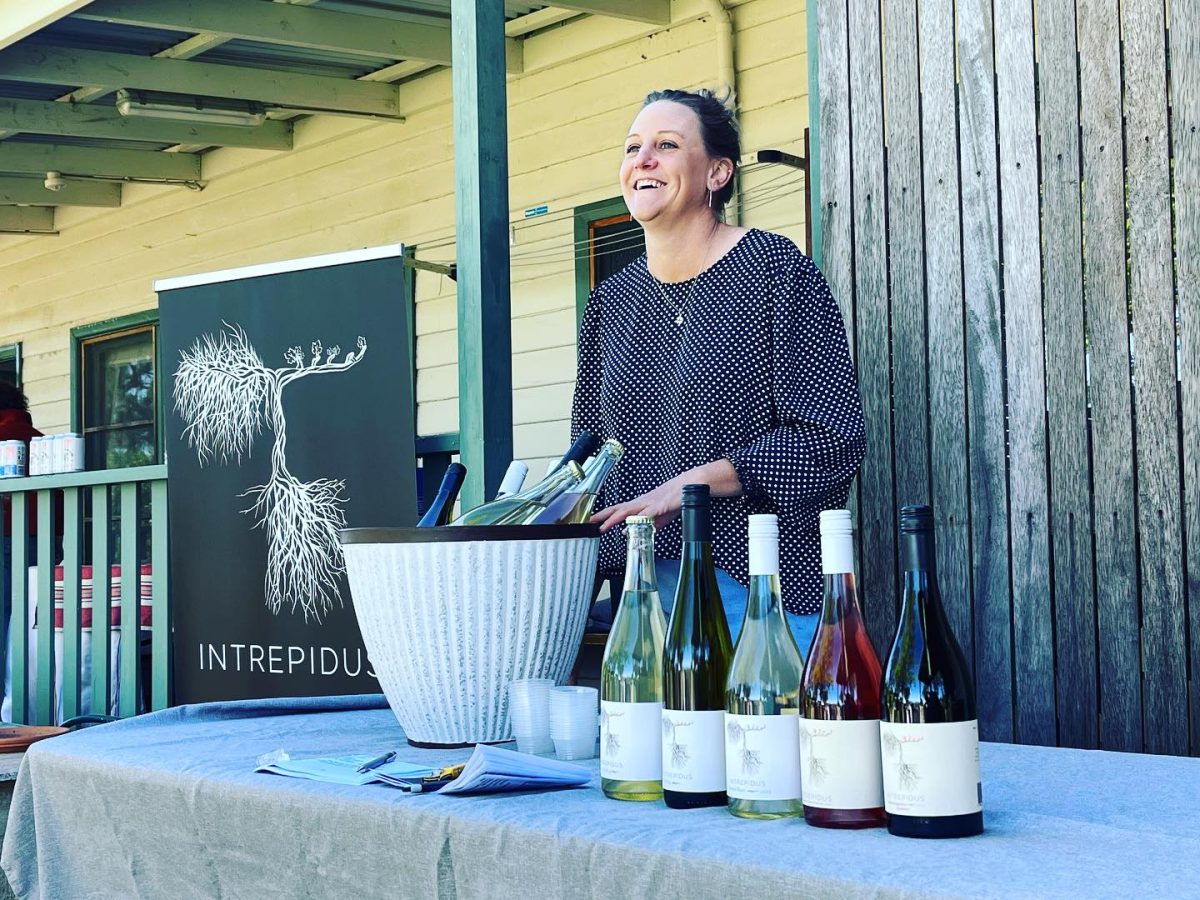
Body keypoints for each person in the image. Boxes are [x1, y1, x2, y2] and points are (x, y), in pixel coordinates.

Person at [572, 88, 866, 651]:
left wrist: (690, 487)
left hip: (761, 593)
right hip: (643, 601)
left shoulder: (775, 272)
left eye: (667, 145)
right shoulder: (609, 302)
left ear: (717, 172)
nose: (643, 160)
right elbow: (590, 459)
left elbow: (833, 440)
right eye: (633, 147)